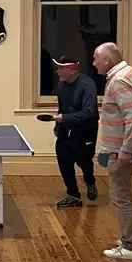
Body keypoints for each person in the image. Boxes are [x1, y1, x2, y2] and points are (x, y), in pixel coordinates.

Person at [92, 42, 132, 260]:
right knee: (125, 192)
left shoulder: (118, 82)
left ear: (106, 60)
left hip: (121, 150)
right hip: (127, 146)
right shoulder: (130, 73)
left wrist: (126, 149)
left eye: (96, 58)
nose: (94, 63)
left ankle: (130, 246)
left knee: (120, 196)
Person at [50, 53, 98, 206]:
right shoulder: (61, 84)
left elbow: (89, 111)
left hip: (85, 130)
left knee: (84, 161)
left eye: (60, 68)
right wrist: (58, 125)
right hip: (66, 128)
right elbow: (62, 107)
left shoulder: (87, 85)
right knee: (63, 159)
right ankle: (73, 194)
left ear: (72, 69)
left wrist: (65, 118)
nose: (57, 71)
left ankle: (90, 180)